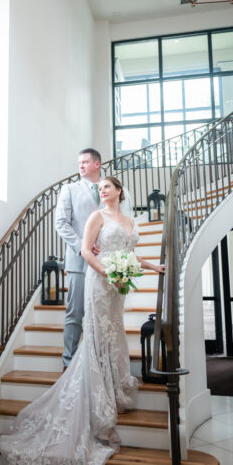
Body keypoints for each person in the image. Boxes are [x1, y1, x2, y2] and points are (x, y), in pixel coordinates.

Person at [0, 176, 165, 465]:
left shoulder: (129, 220)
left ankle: (112, 385)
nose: (102, 190)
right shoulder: (96, 217)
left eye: (107, 186)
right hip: (100, 282)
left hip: (118, 288)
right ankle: (94, 389)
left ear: (119, 190)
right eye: (99, 187)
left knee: (114, 335)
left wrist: (152, 268)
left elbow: (129, 255)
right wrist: (111, 275)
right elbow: (87, 252)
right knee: (98, 334)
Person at [55, 148, 133, 369]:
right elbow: (61, 223)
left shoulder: (110, 190)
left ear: (97, 164)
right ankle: (69, 361)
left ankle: (100, 360)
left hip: (109, 262)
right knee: (75, 311)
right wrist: (83, 247)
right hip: (80, 261)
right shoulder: (69, 189)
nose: (80, 166)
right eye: (79, 163)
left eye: (85, 162)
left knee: (104, 314)